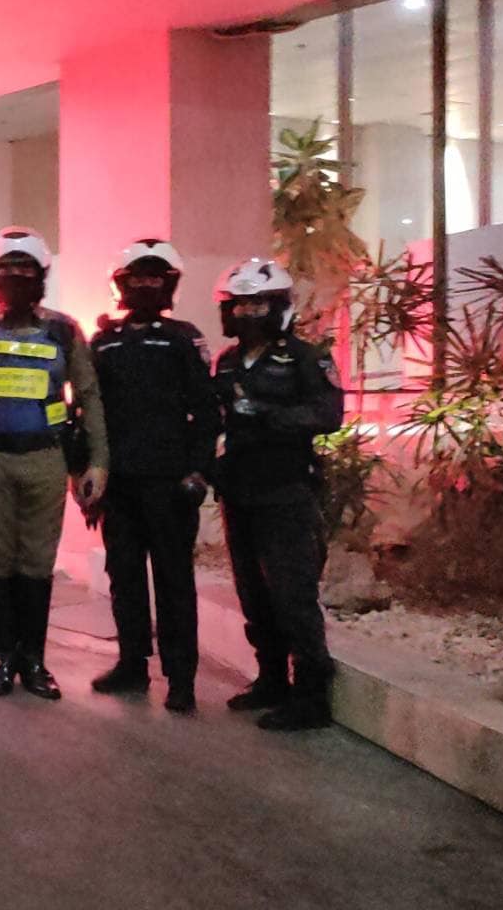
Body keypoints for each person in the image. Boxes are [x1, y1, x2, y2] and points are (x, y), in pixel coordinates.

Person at [0, 227, 108, 700]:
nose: (17, 277)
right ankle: (3, 658)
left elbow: (89, 396)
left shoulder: (64, 330)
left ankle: (34, 661)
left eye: (26, 270)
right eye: (7, 270)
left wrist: (98, 461)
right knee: (0, 560)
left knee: (37, 561)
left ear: (42, 276)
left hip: (46, 459)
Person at [88, 239, 219, 714]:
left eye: (154, 279)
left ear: (169, 284)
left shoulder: (185, 338)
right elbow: (90, 413)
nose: (145, 286)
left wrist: (199, 471)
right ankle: (132, 664)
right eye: (137, 278)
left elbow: (207, 411)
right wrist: (89, 476)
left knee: (174, 580)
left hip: (170, 484)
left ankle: (181, 679)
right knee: (123, 577)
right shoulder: (104, 342)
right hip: (119, 484)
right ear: (121, 284)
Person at [212, 257, 343, 731]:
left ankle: (311, 697)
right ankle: (270, 679)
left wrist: (271, 415)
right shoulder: (227, 362)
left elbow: (328, 413)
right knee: (253, 595)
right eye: (240, 305)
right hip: (239, 493)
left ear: (278, 306)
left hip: (286, 493)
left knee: (293, 594)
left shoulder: (307, 358)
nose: (248, 314)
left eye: (257, 305)